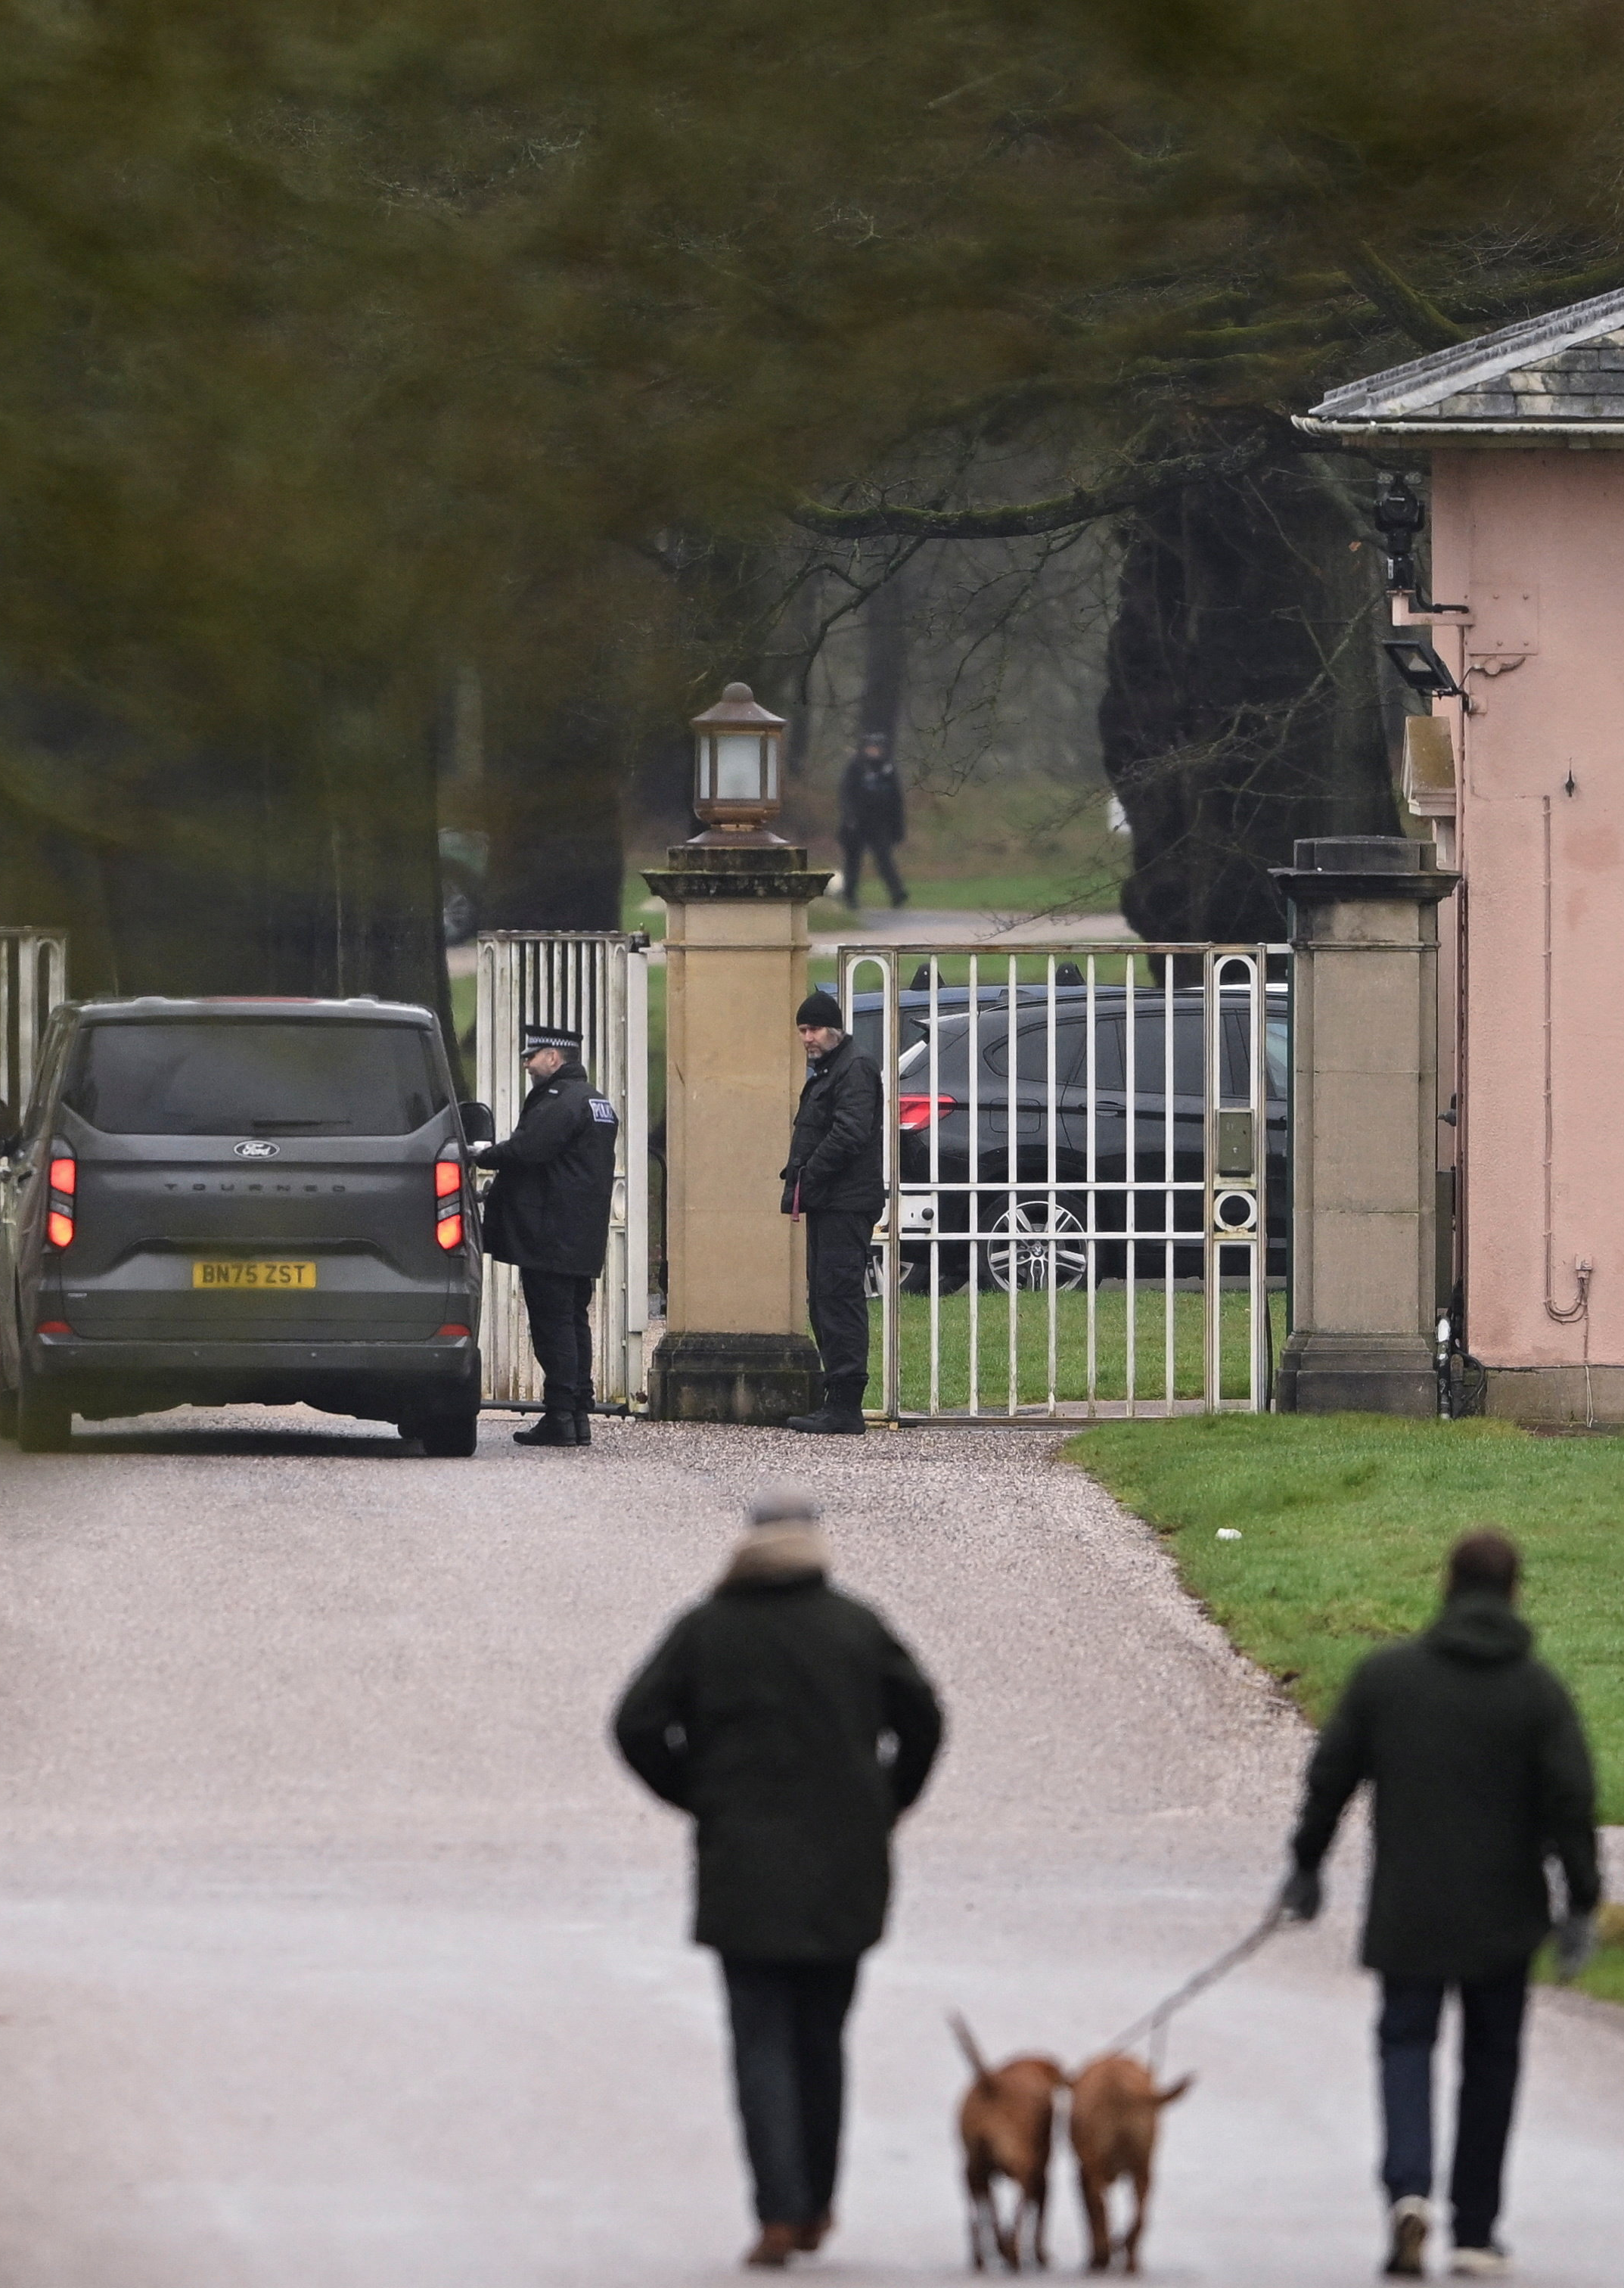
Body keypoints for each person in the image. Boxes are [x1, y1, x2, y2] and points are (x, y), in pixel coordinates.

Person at [613, 1495, 945, 2271]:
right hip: (845, 1865)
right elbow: (923, 1716)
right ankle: (818, 2207)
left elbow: (634, 1724)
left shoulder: (708, 1628)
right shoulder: (855, 1625)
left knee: (759, 2038)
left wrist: (697, 1793)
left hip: (743, 1864)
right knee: (822, 2035)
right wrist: (889, 1799)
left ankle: (775, 2211)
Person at [1278, 1529, 1601, 2280]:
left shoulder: (1388, 1679)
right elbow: (1570, 1803)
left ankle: (1408, 2189)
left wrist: (1305, 1864)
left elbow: (1330, 1776)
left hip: (1408, 1906)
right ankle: (1476, 2229)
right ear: (1514, 1592)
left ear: (1446, 1586)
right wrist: (1581, 1901)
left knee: (1404, 2041)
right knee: (1490, 2062)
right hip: (1505, 1912)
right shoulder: (1537, 1693)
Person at [475, 1020, 619, 1447]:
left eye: (530, 1056)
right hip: (580, 1232)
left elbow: (529, 1149)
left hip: (551, 1231)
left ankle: (561, 1415)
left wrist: (484, 1153)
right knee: (574, 1321)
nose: (525, 1063)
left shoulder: (560, 1100)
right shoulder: (596, 1101)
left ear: (554, 1058)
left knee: (553, 1323)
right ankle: (577, 1414)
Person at [781, 989, 883, 1435]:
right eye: (803, 1029)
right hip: (829, 1200)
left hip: (844, 1201)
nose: (807, 1037)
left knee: (839, 1299)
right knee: (824, 1299)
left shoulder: (854, 1067)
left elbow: (850, 1132)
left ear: (835, 1028)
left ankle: (845, 1405)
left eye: (815, 1028)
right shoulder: (832, 1067)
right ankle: (836, 1399)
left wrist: (809, 1174)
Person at [835, 734, 908, 911]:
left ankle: (897, 893)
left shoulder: (888, 770)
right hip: (856, 823)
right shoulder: (856, 767)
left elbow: (896, 801)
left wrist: (898, 827)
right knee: (853, 861)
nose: (874, 751)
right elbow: (846, 794)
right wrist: (849, 817)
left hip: (879, 822)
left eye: (877, 748)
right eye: (871, 748)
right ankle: (849, 895)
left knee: (884, 858)